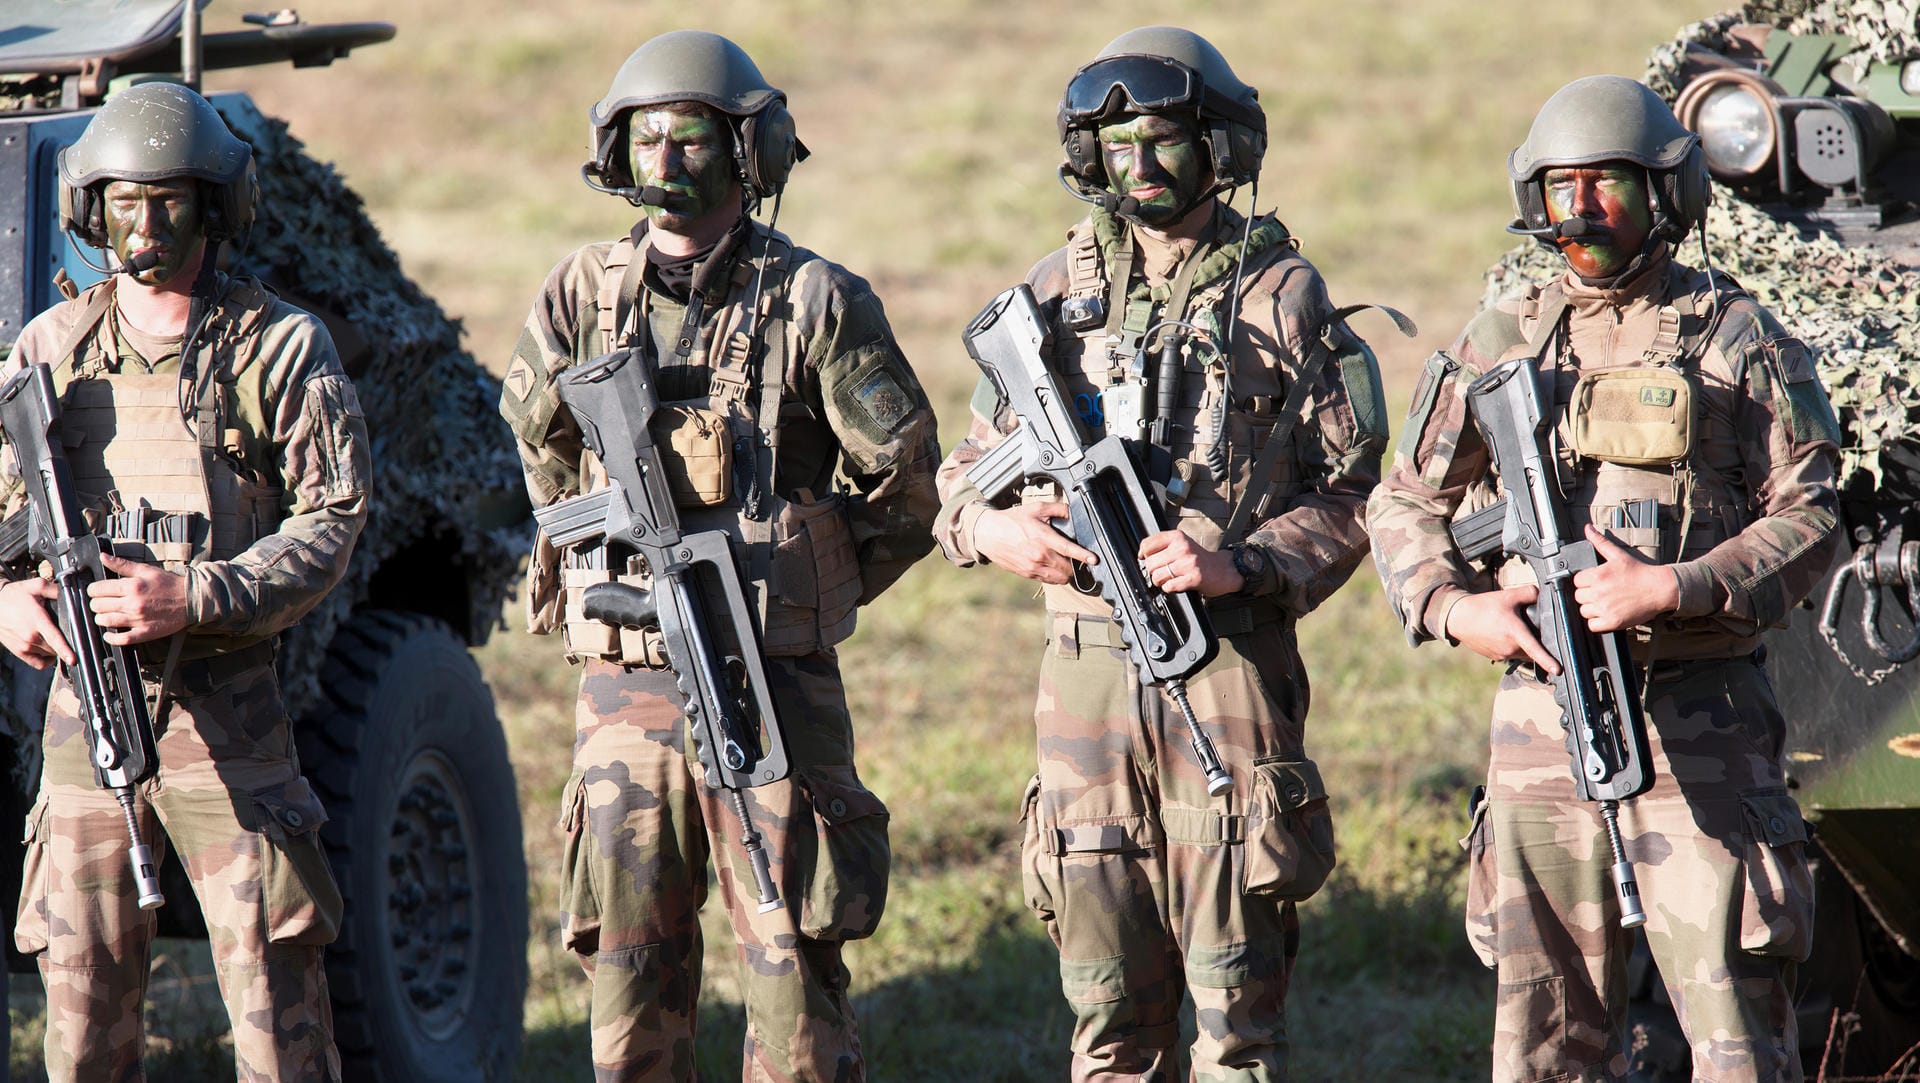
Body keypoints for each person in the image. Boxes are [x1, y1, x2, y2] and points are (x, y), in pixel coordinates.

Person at [934, 26, 1391, 1079]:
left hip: (1225, 669)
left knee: (1239, 1021)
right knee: (1107, 1017)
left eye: (1166, 140)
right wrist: (992, 530)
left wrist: (1252, 566)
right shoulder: (1050, 293)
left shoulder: (1285, 296)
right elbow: (964, 469)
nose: (1141, 163)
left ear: (1219, 146)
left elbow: (1358, 493)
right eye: (1120, 142)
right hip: (1084, 679)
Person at [1368, 74, 1840, 1081]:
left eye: (1605, 185)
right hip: (1540, 731)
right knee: (1545, 1044)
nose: (1578, 209)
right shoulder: (1501, 336)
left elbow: (1813, 518)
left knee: (1736, 1039)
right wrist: (1458, 609)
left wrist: (1679, 587)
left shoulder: (1736, 338)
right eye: (1559, 187)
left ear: (1667, 194)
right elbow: (1403, 502)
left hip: (1699, 727)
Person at [498, 30, 939, 1082]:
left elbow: (908, 485)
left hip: (769, 685)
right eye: (645, 139)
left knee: (791, 967)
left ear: (751, 153)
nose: (665, 162)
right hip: (626, 695)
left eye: (690, 138)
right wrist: (609, 550)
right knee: (629, 972)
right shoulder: (577, 293)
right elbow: (535, 447)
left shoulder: (816, 300)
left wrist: (800, 580)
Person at [0, 81, 369, 1081]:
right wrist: (8, 598)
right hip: (86, 727)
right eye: (126, 201)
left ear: (218, 206)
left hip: (234, 727)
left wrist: (196, 596)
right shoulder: (48, 351)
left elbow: (331, 522)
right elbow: (3, 520)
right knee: (79, 1032)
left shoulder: (281, 348)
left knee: (280, 1023)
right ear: (92, 207)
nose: (147, 225)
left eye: (170, 200)